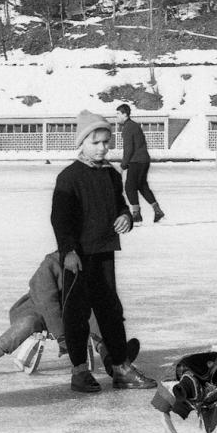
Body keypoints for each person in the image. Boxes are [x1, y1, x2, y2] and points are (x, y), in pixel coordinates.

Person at [51, 110, 156, 393]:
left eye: (106, 142)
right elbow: (60, 220)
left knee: (111, 312)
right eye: (96, 142)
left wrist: (126, 217)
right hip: (78, 259)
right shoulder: (69, 178)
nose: (103, 148)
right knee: (76, 315)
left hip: (104, 252)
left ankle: (121, 368)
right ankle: (79, 371)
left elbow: (120, 205)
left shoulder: (110, 175)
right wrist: (68, 251)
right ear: (82, 143)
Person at [0, 251, 139, 377]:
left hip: (70, 312)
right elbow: (47, 303)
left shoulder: (87, 264)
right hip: (36, 311)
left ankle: (110, 359)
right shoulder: (50, 264)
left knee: (94, 313)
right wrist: (62, 336)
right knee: (28, 323)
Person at [116, 104, 164, 224]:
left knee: (129, 187)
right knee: (142, 186)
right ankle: (157, 210)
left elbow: (129, 149)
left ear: (125, 114)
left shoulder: (127, 127)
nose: (116, 117)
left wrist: (123, 165)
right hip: (144, 160)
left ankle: (136, 214)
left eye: (118, 114)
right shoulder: (133, 125)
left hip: (136, 161)